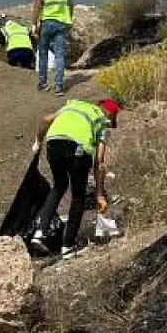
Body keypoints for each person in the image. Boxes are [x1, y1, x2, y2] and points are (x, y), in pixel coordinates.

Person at [30, 98, 119, 259]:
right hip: (77, 150)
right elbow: (99, 160)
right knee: (78, 196)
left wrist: (38, 142)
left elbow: (44, 119)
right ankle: (68, 246)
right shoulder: (102, 121)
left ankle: (40, 232)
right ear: (111, 115)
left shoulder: (73, 105)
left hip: (53, 144)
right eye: (113, 119)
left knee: (58, 186)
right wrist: (99, 193)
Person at [32, 0, 74, 94]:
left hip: (47, 22)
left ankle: (43, 83)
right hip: (62, 21)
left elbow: (37, 4)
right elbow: (70, 4)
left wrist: (34, 23)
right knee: (59, 55)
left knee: (43, 52)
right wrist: (70, 19)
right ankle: (58, 86)